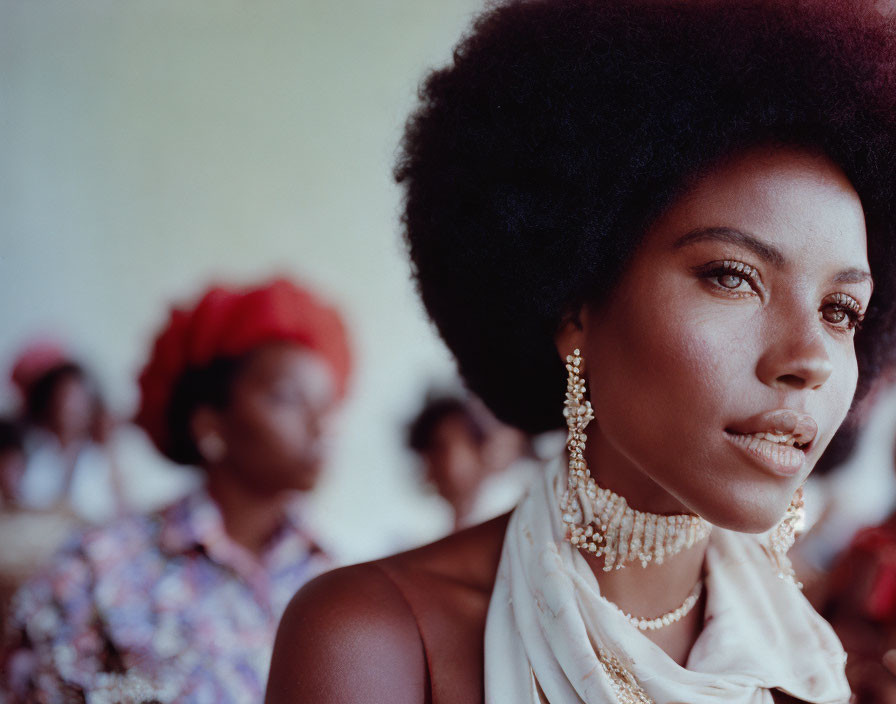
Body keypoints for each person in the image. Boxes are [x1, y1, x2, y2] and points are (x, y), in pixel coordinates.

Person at [265, 1, 896, 702]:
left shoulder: (821, 661)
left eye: (842, 311)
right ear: (573, 303)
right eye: (731, 276)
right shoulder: (379, 637)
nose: (809, 357)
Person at [3, 278, 350, 702]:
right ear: (210, 425)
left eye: (326, 405)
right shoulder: (92, 573)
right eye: (287, 398)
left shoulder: (339, 584)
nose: (321, 427)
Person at [9, 341, 126, 524]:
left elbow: (121, 512)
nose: (70, 407)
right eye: (63, 397)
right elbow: (19, 502)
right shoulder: (35, 449)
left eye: (77, 398)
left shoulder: (102, 455)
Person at [407, 392, 536, 532]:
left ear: (478, 444)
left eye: (440, 451)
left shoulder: (514, 502)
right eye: (427, 460)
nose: (431, 473)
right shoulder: (448, 526)